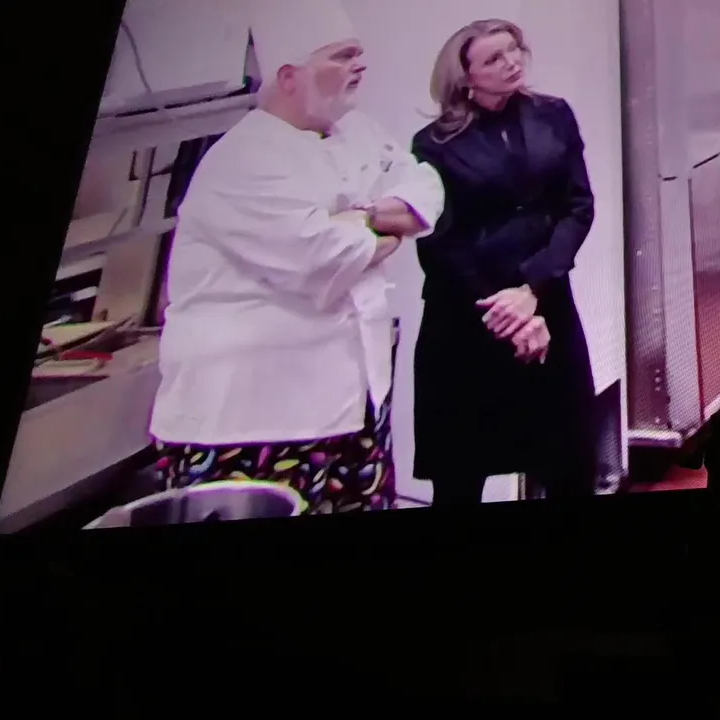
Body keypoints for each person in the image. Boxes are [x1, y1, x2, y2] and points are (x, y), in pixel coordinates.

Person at [148, 0, 444, 514]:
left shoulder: (358, 132)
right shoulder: (243, 158)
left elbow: (425, 187)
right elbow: (322, 257)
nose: (360, 66)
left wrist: (361, 218)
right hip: (252, 419)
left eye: (359, 54)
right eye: (343, 56)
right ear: (288, 76)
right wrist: (382, 230)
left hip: (353, 404)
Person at [410, 19, 598, 507]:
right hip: (471, 315)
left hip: (545, 301)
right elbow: (439, 243)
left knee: (569, 454)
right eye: (494, 58)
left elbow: (577, 207)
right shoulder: (433, 144)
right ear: (465, 77)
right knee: (461, 470)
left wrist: (532, 289)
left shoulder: (553, 115)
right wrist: (505, 310)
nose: (512, 63)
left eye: (514, 50)